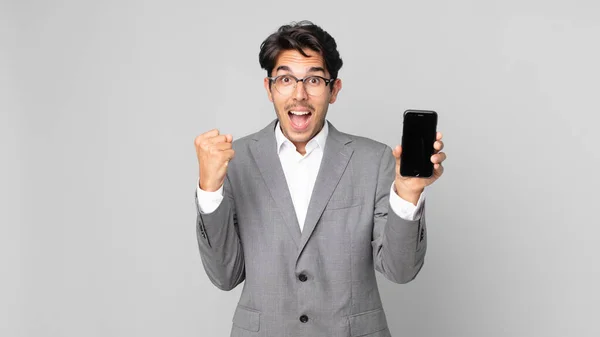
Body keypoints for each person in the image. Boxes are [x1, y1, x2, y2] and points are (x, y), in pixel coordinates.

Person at [193, 20, 446, 337]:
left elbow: (401, 270)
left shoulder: (374, 160)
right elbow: (224, 275)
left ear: (334, 89)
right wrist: (209, 190)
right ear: (269, 88)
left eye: (313, 79)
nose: (299, 94)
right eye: (286, 79)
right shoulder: (234, 160)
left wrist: (408, 194)